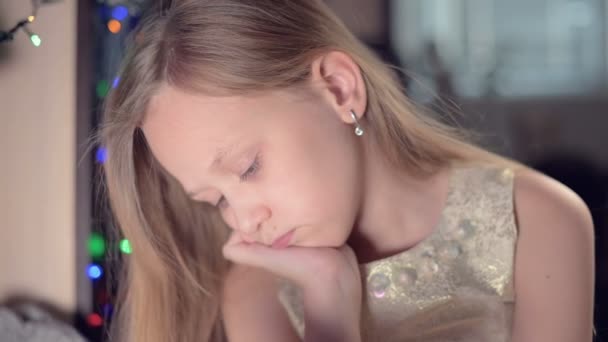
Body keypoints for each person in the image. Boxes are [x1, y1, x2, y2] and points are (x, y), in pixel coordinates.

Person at [96, 0, 595, 341]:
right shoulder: (257, 291)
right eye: (217, 201)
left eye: (248, 168)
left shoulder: (536, 219)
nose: (246, 221)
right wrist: (328, 307)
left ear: (338, 89)